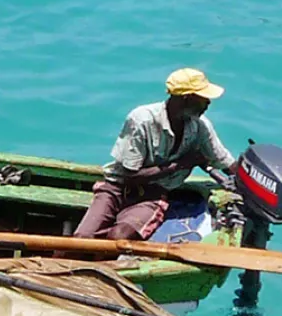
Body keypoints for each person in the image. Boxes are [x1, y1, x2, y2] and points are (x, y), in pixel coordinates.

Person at [72, 68, 236, 242]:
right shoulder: (142, 120)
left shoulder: (201, 127)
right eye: (203, 99)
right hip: (116, 188)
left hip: (152, 195)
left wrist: (247, 182)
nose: (208, 104)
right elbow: (130, 175)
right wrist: (180, 165)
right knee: (82, 237)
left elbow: (225, 162)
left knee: (118, 237)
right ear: (186, 98)